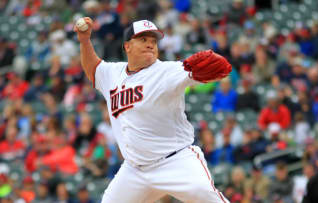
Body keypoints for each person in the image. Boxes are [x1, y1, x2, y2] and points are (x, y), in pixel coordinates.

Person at [74, 18, 231, 202]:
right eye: (143, 39)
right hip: (134, 170)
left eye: (153, 41)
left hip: (175, 161)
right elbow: (92, 67)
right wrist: (84, 41)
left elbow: (206, 70)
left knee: (206, 196)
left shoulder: (168, 71)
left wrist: (195, 72)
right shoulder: (112, 73)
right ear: (127, 46)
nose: (150, 44)